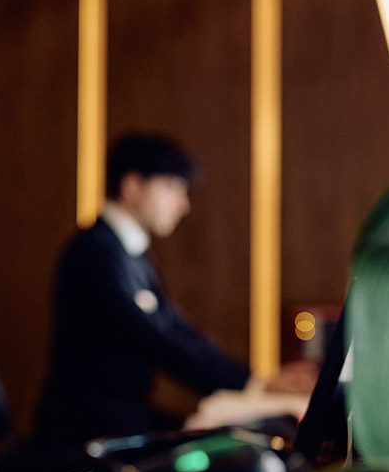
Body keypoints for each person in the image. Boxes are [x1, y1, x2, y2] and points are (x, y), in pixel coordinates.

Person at [32, 134, 252, 450]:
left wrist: (250, 381)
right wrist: (245, 385)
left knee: (228, 441)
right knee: (223, 452)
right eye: (171, 187)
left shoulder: (128, 250)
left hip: (119, 417)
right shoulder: (96, 253)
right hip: (87, 427)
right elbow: (157, 339)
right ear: (132, 185)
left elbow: (174, 327)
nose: (183, 204)